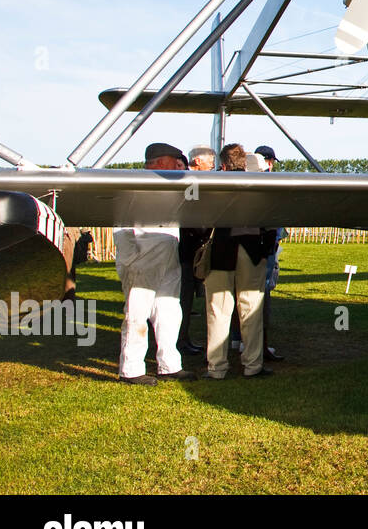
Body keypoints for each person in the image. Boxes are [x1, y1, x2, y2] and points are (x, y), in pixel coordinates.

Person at [113, 143, 196, 384]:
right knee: (137, 314)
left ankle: (169, 365)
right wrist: (131, 260)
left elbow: (194, 197)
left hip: (168, 252)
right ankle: (130, 369)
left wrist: (187, 173)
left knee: (169, 310)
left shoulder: (175, 183)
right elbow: (121, 225)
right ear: (161, 162)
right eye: (176, 161)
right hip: (144, 257)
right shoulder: (137, 184)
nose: (179, 165)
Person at [203, 144, 276, 379]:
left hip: (222, 250)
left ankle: (216, 368)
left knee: (218, 311)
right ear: (244, 163)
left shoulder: (213, 185)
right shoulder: (259, 184)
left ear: (223, 164)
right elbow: (270, 221)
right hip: (253, 249)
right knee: (252, 310)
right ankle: (253, 365)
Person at [176, 144, 216, 355]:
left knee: (187, 301)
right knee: (183, 300)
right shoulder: (190, 181)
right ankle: (179, 341)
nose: (212, 168)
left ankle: (183, 339)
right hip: (186, 250)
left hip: (188, 248)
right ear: (199, 162)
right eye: (210, 164)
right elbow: (191, 216)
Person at [254, 145, 285, 362]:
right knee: (261, 296)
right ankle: (259, 346)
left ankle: (241, 340)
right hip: (265, 246)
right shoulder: (268, 181)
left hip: (256, 245)